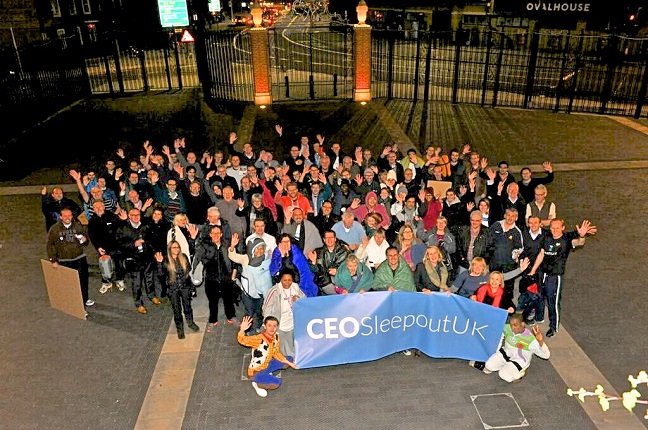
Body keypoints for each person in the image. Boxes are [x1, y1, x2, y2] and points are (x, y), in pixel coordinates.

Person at [528, 219, 596, 337]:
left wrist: (582, 236)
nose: (555, 230)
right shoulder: (546, 238)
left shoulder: (566, 240)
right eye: (552, 228)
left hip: (555, 276)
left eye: (558, 228)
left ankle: (553, 327)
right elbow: (542, 254)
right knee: (539, 296)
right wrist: (533, 270)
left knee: (553, 302)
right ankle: (539, 317)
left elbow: (579, 243)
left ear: (563, 228)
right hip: (543, 273)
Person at [473, 313, 550, 382]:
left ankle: (520, 373)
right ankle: (507, 366)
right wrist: (495, 352)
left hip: (519, 360)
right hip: (506, 354)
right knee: (488, 365)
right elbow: (500, 338)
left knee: (503, 375)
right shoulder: (507, 328)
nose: (512, 327)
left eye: (515, 325)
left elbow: (546, 356)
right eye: (511, 325)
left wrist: (541, 342)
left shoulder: (530, 339)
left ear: (522, 324)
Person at [46, 208, 94, 310]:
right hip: (64, 261)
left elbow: (86, 242)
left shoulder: (78, 226)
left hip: (79, 258)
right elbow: (50, 245)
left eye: (69, 215)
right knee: (68, 283)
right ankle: (72, 303)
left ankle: (85, 299)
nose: (67, 218)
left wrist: (84, 240)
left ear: (72, 216)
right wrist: (53, 260)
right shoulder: (54, 229)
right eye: (65, 216)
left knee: (83, 281)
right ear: (61, 217)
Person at [193, 225, 238, 331]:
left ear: (221, 234)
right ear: (210, 234)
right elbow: (198, 255)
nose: (216, 235)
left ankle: (231, 316)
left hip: (226, 279)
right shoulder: (205, 246)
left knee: (228, 300)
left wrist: (233, 276)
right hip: (211, 280)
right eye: (213, 233)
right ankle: (213, 320)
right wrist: (194, 239)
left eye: (218, 233)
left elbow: (234, 261)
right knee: (212, 302)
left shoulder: (227, 245)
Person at [117, 208, 161, 314]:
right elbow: (119, 244)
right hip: (133, 259)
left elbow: (151, 239)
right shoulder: (123, 228)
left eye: (138, 215)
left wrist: (153, 251)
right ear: (129, 216)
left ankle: (151, 295)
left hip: (147, 257)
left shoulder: (145, 226)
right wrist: (133, 244)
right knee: (137, 282)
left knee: (149, 279)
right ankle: (139, 303)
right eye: (133, 215)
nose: (136, 217)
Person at [154, 241, 200, 339]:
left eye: (178, 247)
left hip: (184, 286)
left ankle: (190, 323)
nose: (176, 249)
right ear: (169, 249)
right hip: (173, 289)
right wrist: (159, 263)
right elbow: (161, 275)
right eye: (174, 247)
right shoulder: (166, 260)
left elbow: (188, 272)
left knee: (187, 307)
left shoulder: (183, 257)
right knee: (177, 310)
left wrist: (191, 287)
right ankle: (180, 329)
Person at [228, 234, 271, 334]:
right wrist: (233, 246)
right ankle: (247, 330)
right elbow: (233, 256)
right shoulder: (246, 259)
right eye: (257, 249)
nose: (260, 251)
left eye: (261, 248)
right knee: (249, 313)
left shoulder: (267, 257)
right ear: (252, 249)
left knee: (261, 312)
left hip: (261, 293)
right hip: (248, 292)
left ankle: (260, 327)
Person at [262, 270, 307, 358]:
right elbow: (266, 308)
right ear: (280, 280)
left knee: (291, 344)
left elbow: (304, 299)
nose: (287, 283)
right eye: (284, 280)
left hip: (291, 322)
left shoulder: (296, 288)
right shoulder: (274, 291)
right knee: (280, 346)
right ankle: (281, 359)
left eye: (289, 280)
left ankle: (291, 359)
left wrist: (298, 298)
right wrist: (268, 323)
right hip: (279, 323)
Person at [307, 230, 350, 295]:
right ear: (324, 240)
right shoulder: (317, 252)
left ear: (335, 239)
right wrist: (313, 262)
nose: (329, 240)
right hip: (325, 283)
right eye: (327, 238)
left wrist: (338, 271)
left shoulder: (344, 251)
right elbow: (314, 271)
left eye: (331, 237)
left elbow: (352, 267)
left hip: (341, 281)